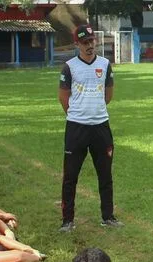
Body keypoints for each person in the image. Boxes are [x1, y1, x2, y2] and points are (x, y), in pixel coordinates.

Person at [57, 24, 121, 232]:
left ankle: (108, 216)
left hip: (101, 126)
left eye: (92, 41)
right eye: (85, 43)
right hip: (77, 128)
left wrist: (95, 110)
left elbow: (109, 94)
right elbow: (63, 97)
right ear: (77, 44)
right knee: (70, 177)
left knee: (105, 175)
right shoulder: (69, 66)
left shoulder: (105, 64)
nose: (90, 46)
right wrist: (78, 114)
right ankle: (68, 221)